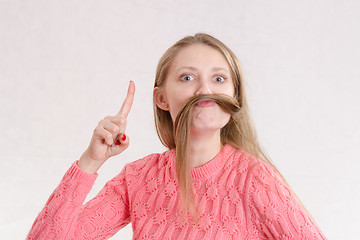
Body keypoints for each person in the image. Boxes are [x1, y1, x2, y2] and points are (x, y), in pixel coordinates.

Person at [27, 33, 327, 239]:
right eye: (187, 77)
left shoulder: (254, 179)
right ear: (162, 99)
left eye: (219, 78)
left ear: (234, 98)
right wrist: (89, 162)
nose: (204, 90)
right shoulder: (139, 179)